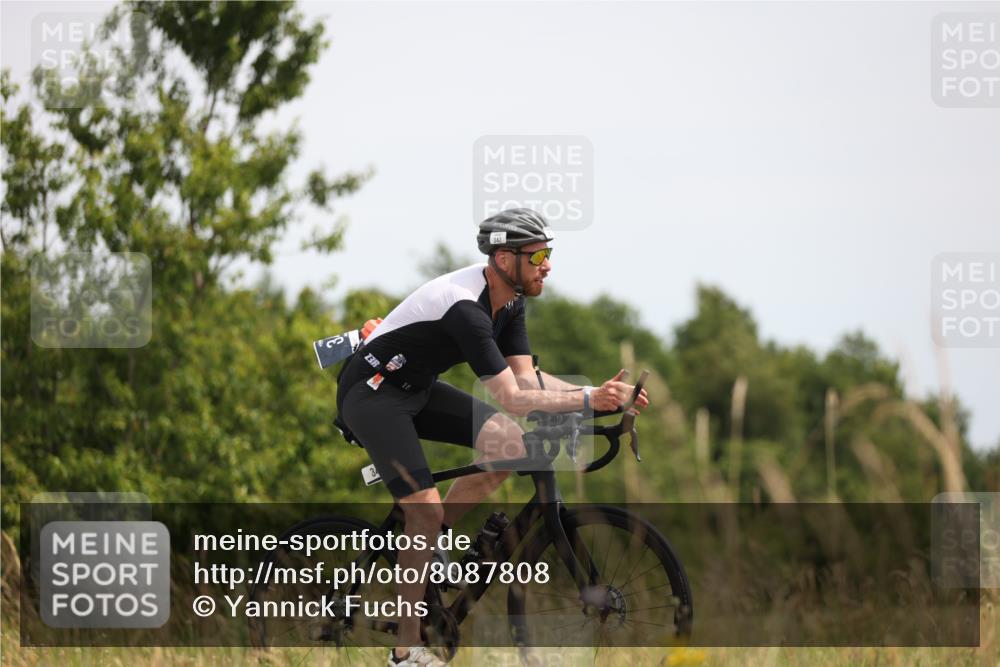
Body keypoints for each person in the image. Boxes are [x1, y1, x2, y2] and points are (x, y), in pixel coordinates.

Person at [335, 208, 649, 667]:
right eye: (537, 255)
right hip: (372, 394)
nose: (547, 265)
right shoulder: (466, 308)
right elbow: (513, 398)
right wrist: (587, 399)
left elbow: (526, 378)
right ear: (504, 259)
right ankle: (404, 651)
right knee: (424, 509)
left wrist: (601, 396)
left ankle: (430, 542)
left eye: (549, 253)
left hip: (416, 389)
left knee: (510, 445)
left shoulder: (511, 302)